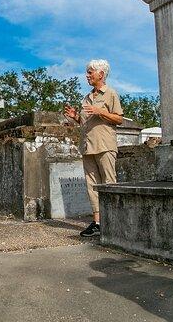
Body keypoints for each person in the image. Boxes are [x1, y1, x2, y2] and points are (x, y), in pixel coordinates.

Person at [64, 59, 123, 237]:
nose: (87, 75)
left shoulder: (111, 94)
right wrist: (76, 117)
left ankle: (114, 221)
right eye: (87, 72)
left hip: (105, 145)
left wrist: (101, 112)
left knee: (109, 183)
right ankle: (97, 223)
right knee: (92, 185)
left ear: (101, 74)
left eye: (90, 72)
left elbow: (119, 119)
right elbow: (86, 121)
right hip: (88, 146)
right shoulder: (87, 97)